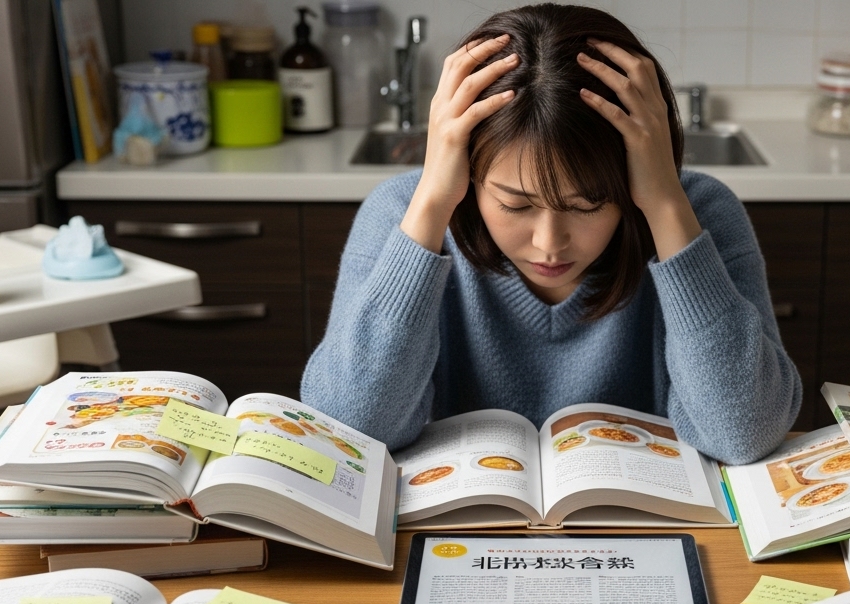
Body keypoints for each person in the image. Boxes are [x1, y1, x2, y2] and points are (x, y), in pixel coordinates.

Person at [301, 3, 800, 464]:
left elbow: (743, 433)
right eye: (515, 204)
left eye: (587, 205)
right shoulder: (401, 213)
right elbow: (352, 429)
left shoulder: (699, 212)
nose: (549, 243)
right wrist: (432, 201)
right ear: (468, 174)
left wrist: (666, 204)